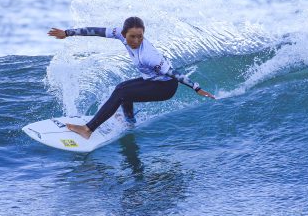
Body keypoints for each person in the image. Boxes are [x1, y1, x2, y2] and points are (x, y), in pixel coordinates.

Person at [48, 16, 215, 139]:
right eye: (132, 36)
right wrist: (67, 33)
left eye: (140, 36)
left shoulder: (149, 56)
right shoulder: (118, 34)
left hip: (165, 87)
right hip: (152, 80)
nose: (136, 40)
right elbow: (96, 31)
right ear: (123, 34)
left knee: (122, 92)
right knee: (122, 88)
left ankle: (88, 129)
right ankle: (130, 122)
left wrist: (196, 88)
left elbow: (173, 73)